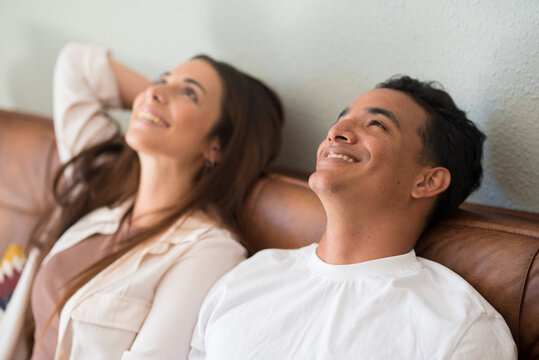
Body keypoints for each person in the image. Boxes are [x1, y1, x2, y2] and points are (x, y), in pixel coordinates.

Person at [189, 76, 517, 359]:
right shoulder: (246, 279)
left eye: (377, 124)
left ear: (427, 181)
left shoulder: (458, 329)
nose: (336, 130)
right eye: (341, 118)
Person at [1, 42, 283, 360]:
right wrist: (154, 104)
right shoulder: (103, 181)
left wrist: (158, 107)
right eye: (160, 81)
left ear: (216, 147)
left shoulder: (209, 252)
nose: (154, 92)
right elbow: (75, 66)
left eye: (190, 94)